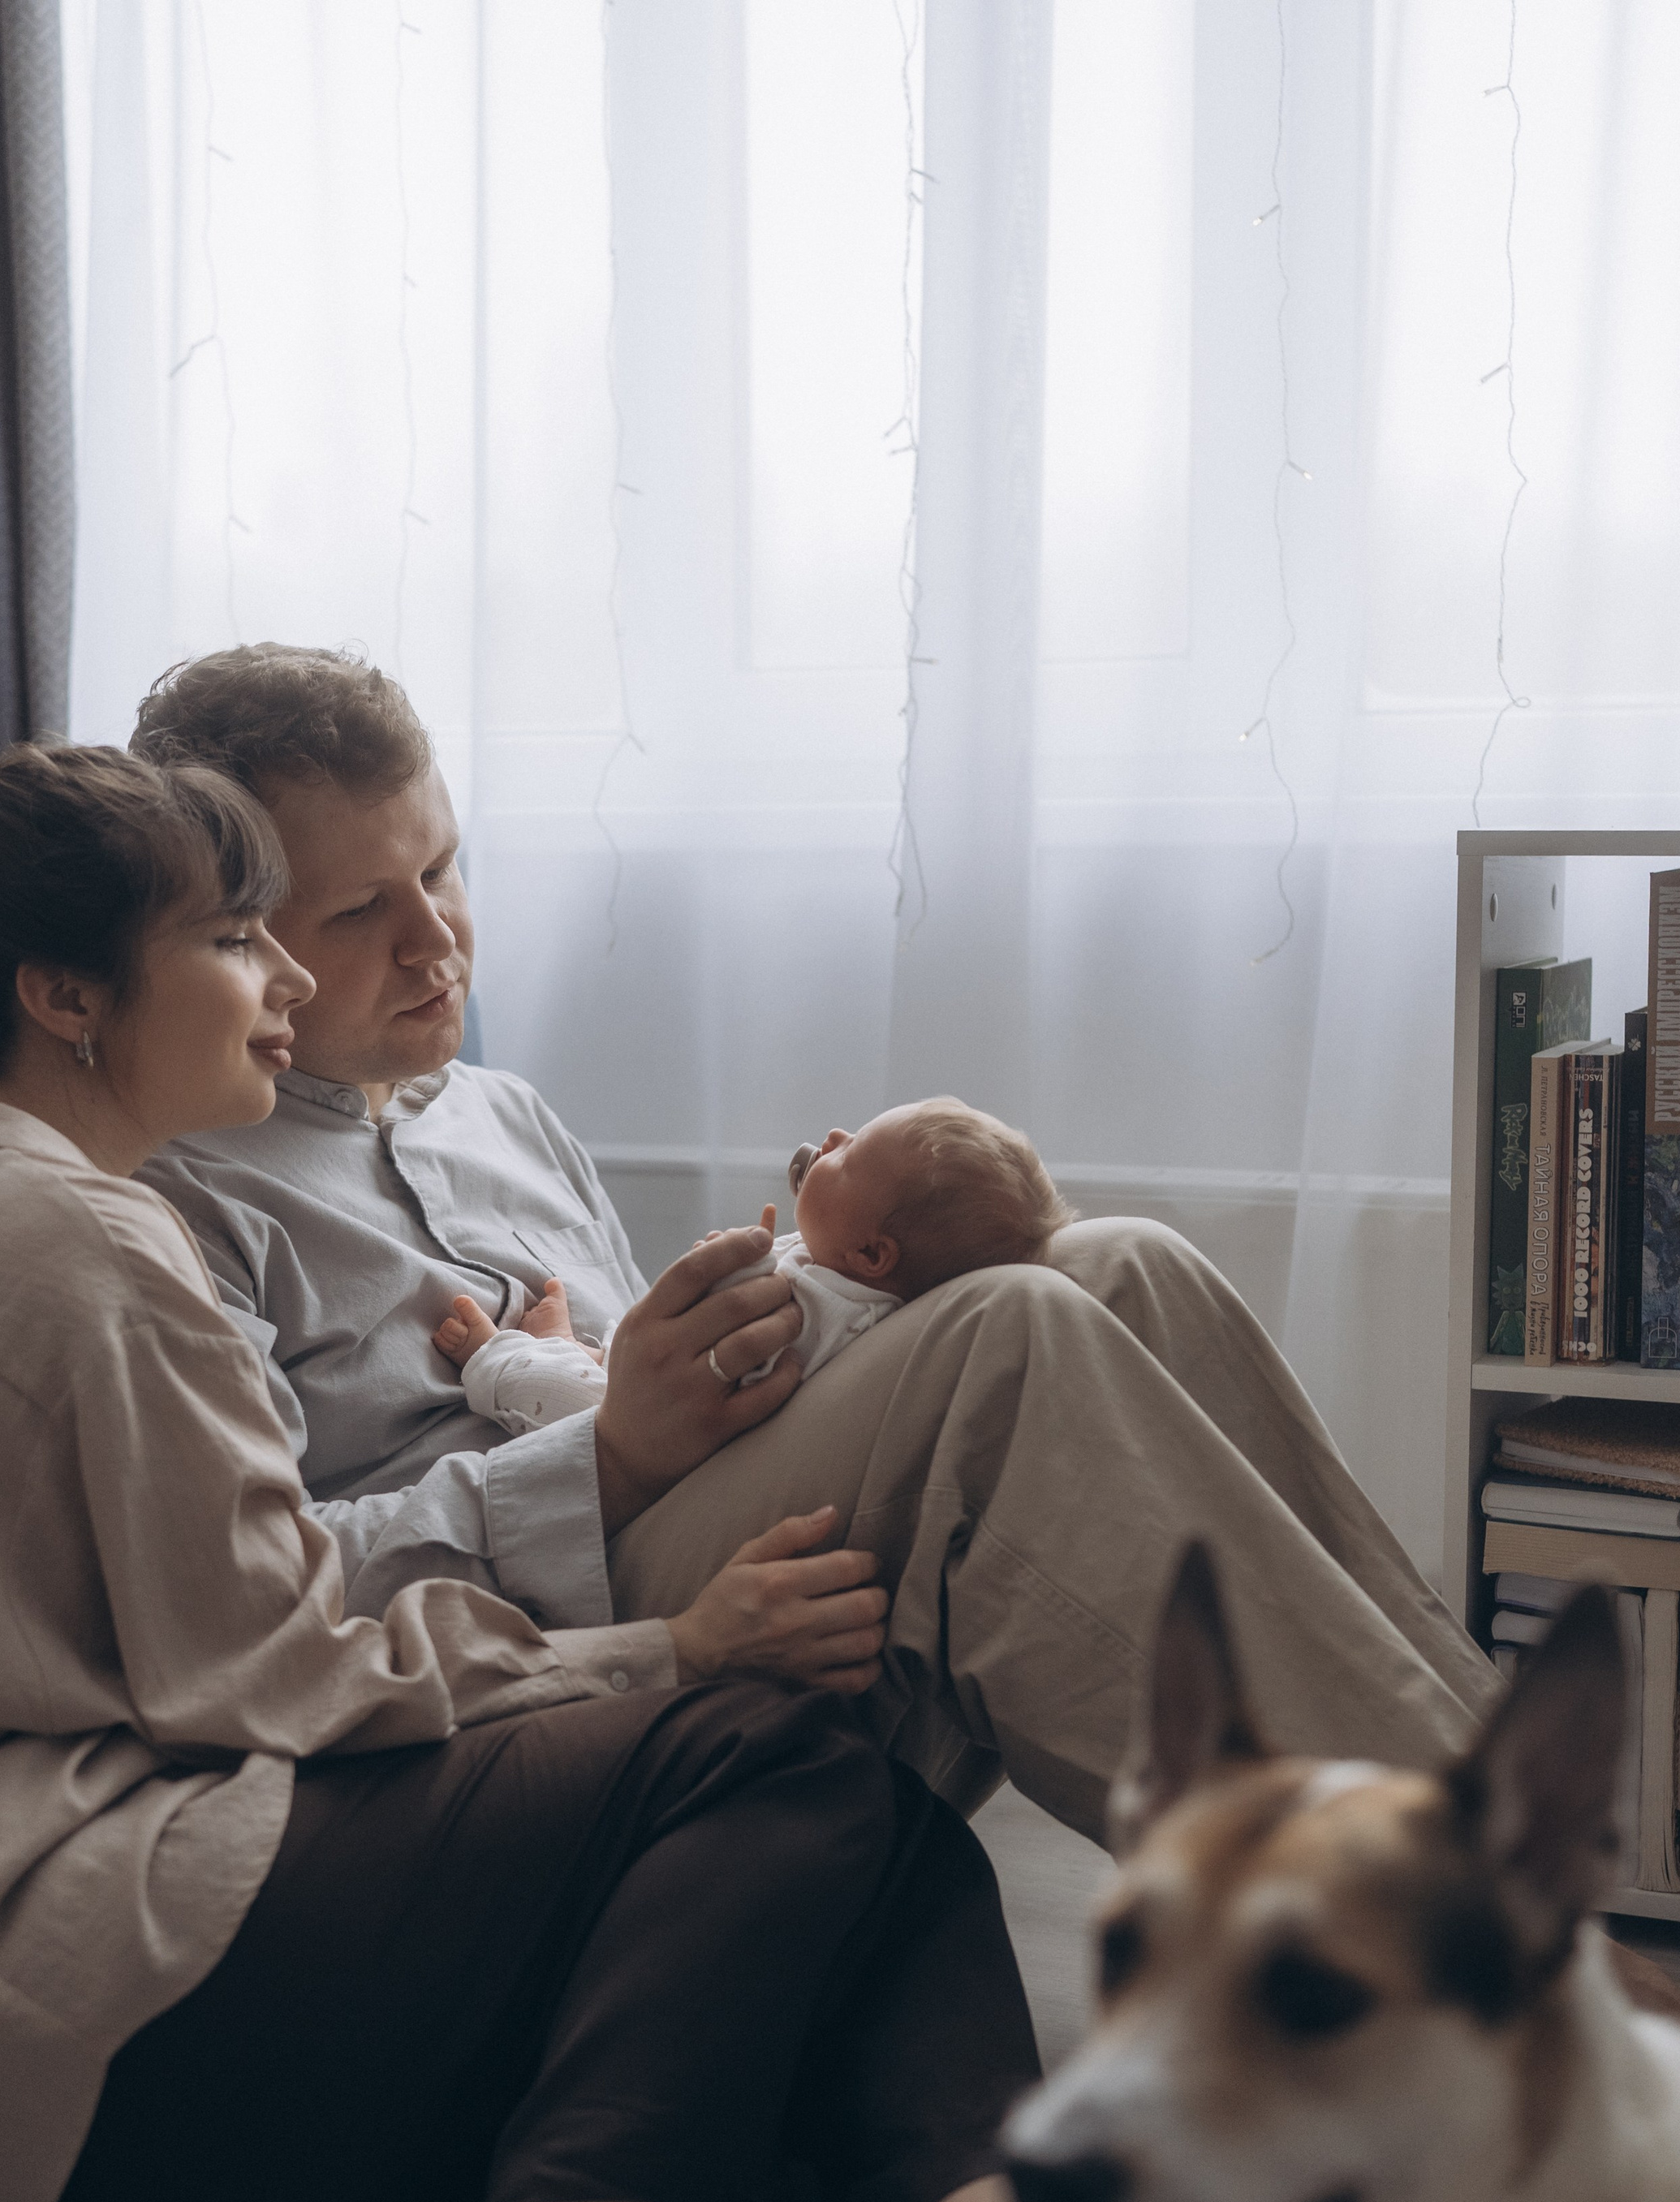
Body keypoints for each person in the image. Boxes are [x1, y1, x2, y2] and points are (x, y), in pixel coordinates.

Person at [0, 732, 1075, 2202]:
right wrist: (668, 1654)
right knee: (776, 1752)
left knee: (860, 1845)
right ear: (64, 996)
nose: (284, 981)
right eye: (237, 938)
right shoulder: (91, 1248)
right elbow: (274, 1674)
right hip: (85, 2044)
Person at [132, 645, 1504, 1839]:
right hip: (541, 1627)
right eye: (363, 910)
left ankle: (1505, 1819)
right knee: (1005, 1338)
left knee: (1123, 1263)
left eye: (443, 869)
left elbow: (632, 1381)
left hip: (688, 1503)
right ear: (237, 931)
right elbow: (275, 1590)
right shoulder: (178, 1201)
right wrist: (609, 1452)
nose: (438, 939)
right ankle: (1453, 1936)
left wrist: (701, 1361)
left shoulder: (508, 1116)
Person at [429, 1098, 1071, 1431]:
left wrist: (723, 1279)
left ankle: (502, 1359)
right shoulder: (852, 1277)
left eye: (848, 1158)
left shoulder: (822, 1312)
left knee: (565, 1402)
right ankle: (576, 1351)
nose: (834, 1141)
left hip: (663, 1447)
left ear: (873, 1255)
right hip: (658, 1400)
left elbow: (714, 1378)